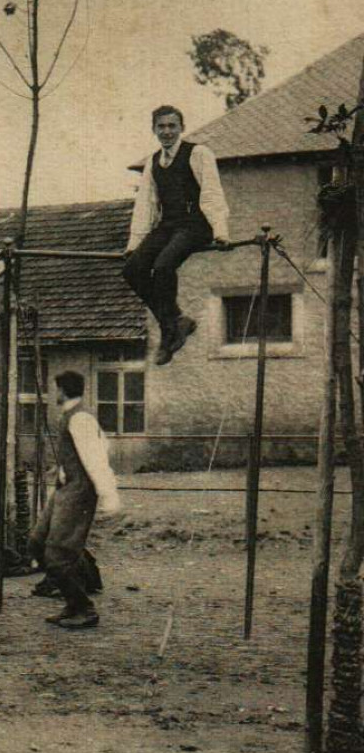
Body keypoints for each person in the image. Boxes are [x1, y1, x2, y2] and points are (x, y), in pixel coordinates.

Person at [123, 105, 231, 365]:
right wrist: (135, 243)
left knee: (162, 267)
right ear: (154, 130)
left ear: (182, 127)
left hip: (196, 224)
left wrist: (220, 231)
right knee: (133, 269)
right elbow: (146, 204)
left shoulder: (198, 153)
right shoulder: (153, 162)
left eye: (172, 126)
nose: (167, 132)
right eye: (161, 127)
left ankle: (168, 330)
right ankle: (175, 321)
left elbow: (212, 192)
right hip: (169, 225)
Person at [30, 371, 123, 630]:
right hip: (65, 487)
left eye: (55, 389)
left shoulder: (80, 418)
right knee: (37, 541)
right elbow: (102, 444)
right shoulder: (72, 416)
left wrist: (107, 495)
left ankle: (82, 607)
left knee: (57, 553)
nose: (52, 394)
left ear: (62, 391)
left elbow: (96, 458)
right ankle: (77, 594)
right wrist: (63, 469)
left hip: (78, 493)